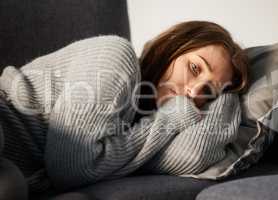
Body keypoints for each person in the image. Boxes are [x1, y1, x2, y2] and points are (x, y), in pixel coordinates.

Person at [0, 20, 248, 193]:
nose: (194, 91)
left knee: (11, 184)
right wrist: (169, 119)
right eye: (194, 68)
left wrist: (230, 96)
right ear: (173, 45)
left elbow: (193, 154)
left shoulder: (140, 126)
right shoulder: (117, 57)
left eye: (208, 91)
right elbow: (70, 168)